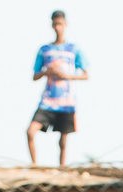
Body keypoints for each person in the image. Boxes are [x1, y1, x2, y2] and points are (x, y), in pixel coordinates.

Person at [28, 8, 88, 167]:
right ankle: (35, 166)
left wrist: (66, 76)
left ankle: (62, 169)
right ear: (51, 25)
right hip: (48, 99)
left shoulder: (73, 50)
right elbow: (35, 75)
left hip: (66, 101)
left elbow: (86, 74)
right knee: (31, 132)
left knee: (63, 139)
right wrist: (47, 72)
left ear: (65, 24)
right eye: (55, 24)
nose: (58, 27)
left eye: (60, 24)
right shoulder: (45, 50)